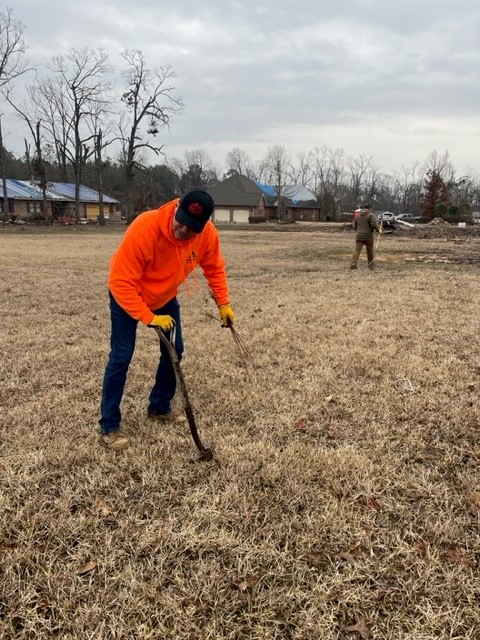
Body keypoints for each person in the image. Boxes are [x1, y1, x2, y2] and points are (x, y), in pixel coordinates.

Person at [99, 188, 235, 451]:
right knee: (121, 356)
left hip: (164, 298)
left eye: (192, 228)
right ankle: (109, 425)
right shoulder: (145, 228)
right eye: (181, 222)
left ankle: (159, 407)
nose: (184, 231)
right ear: (175, 209)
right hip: (128, 294)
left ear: (204, 225)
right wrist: (148, 317)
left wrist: (224, 303)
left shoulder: (206, 236)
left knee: (175, 349)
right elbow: (120, 281)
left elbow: (214, 268)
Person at [350, 203, 383, 270]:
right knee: (370, 250)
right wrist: (378, 229)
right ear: (370, 208)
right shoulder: (371, 215)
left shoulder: (358, 215)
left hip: (359, 235)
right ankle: (371, 265)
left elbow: (354, 225)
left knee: (357, 250)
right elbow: (374, 224)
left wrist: (358, 229)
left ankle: (353, 264)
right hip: (368, 236)